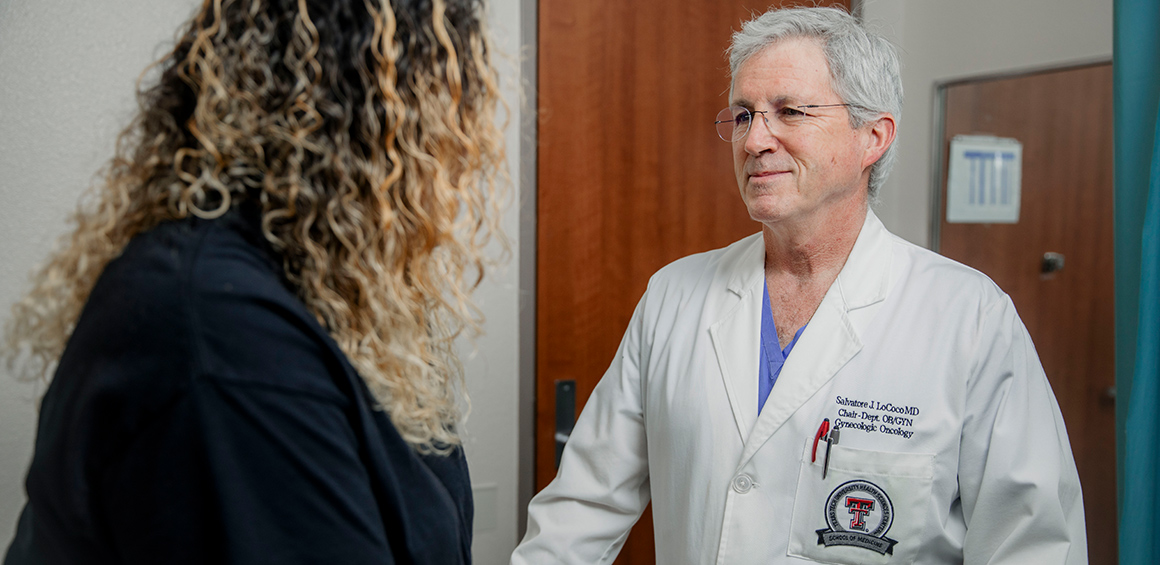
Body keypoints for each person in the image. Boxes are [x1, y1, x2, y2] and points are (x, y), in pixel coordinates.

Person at [512, 6, 1086, 565]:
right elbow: (580, 511)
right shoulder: (674, 296)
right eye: (743, 115)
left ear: (873, 138)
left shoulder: (969, 318)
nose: (755, 140)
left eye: (789, 112)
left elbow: (1030, 544)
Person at [3, 0, 505, 563]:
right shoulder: (219, 328)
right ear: (369, 122)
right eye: (448, 109)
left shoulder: (340, 304)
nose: (465, 151)